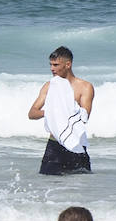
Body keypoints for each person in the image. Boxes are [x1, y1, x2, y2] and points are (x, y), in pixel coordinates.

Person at [27, 46, 94, 175]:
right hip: (54, 146)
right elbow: (32, 113)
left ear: (68, 64)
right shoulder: (49, 86)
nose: (52, 68)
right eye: (51, 64)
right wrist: (50, 112)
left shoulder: (85, 87)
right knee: (47, 185)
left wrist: (62, 110)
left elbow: (85, 117)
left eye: (56, 65)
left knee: (81, 189)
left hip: (76, 145)